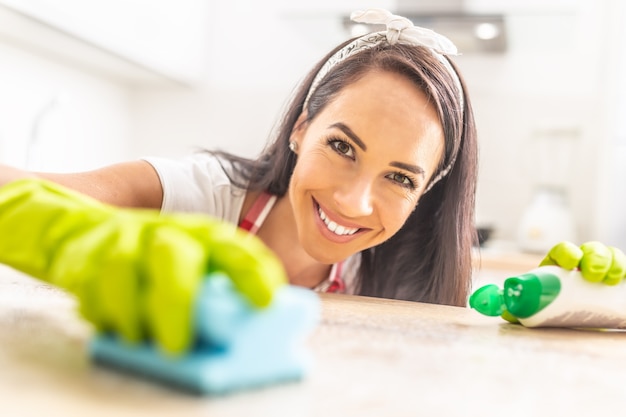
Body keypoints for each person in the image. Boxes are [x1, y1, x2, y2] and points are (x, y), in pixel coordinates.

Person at [1, 9, 623, 353]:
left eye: (400, 178)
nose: (354, 201)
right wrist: (75, 238)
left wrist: (586, 305)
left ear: (427, 192)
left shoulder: (403, 274)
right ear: (300, 128)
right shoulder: (194, 194)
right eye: (341, 145)